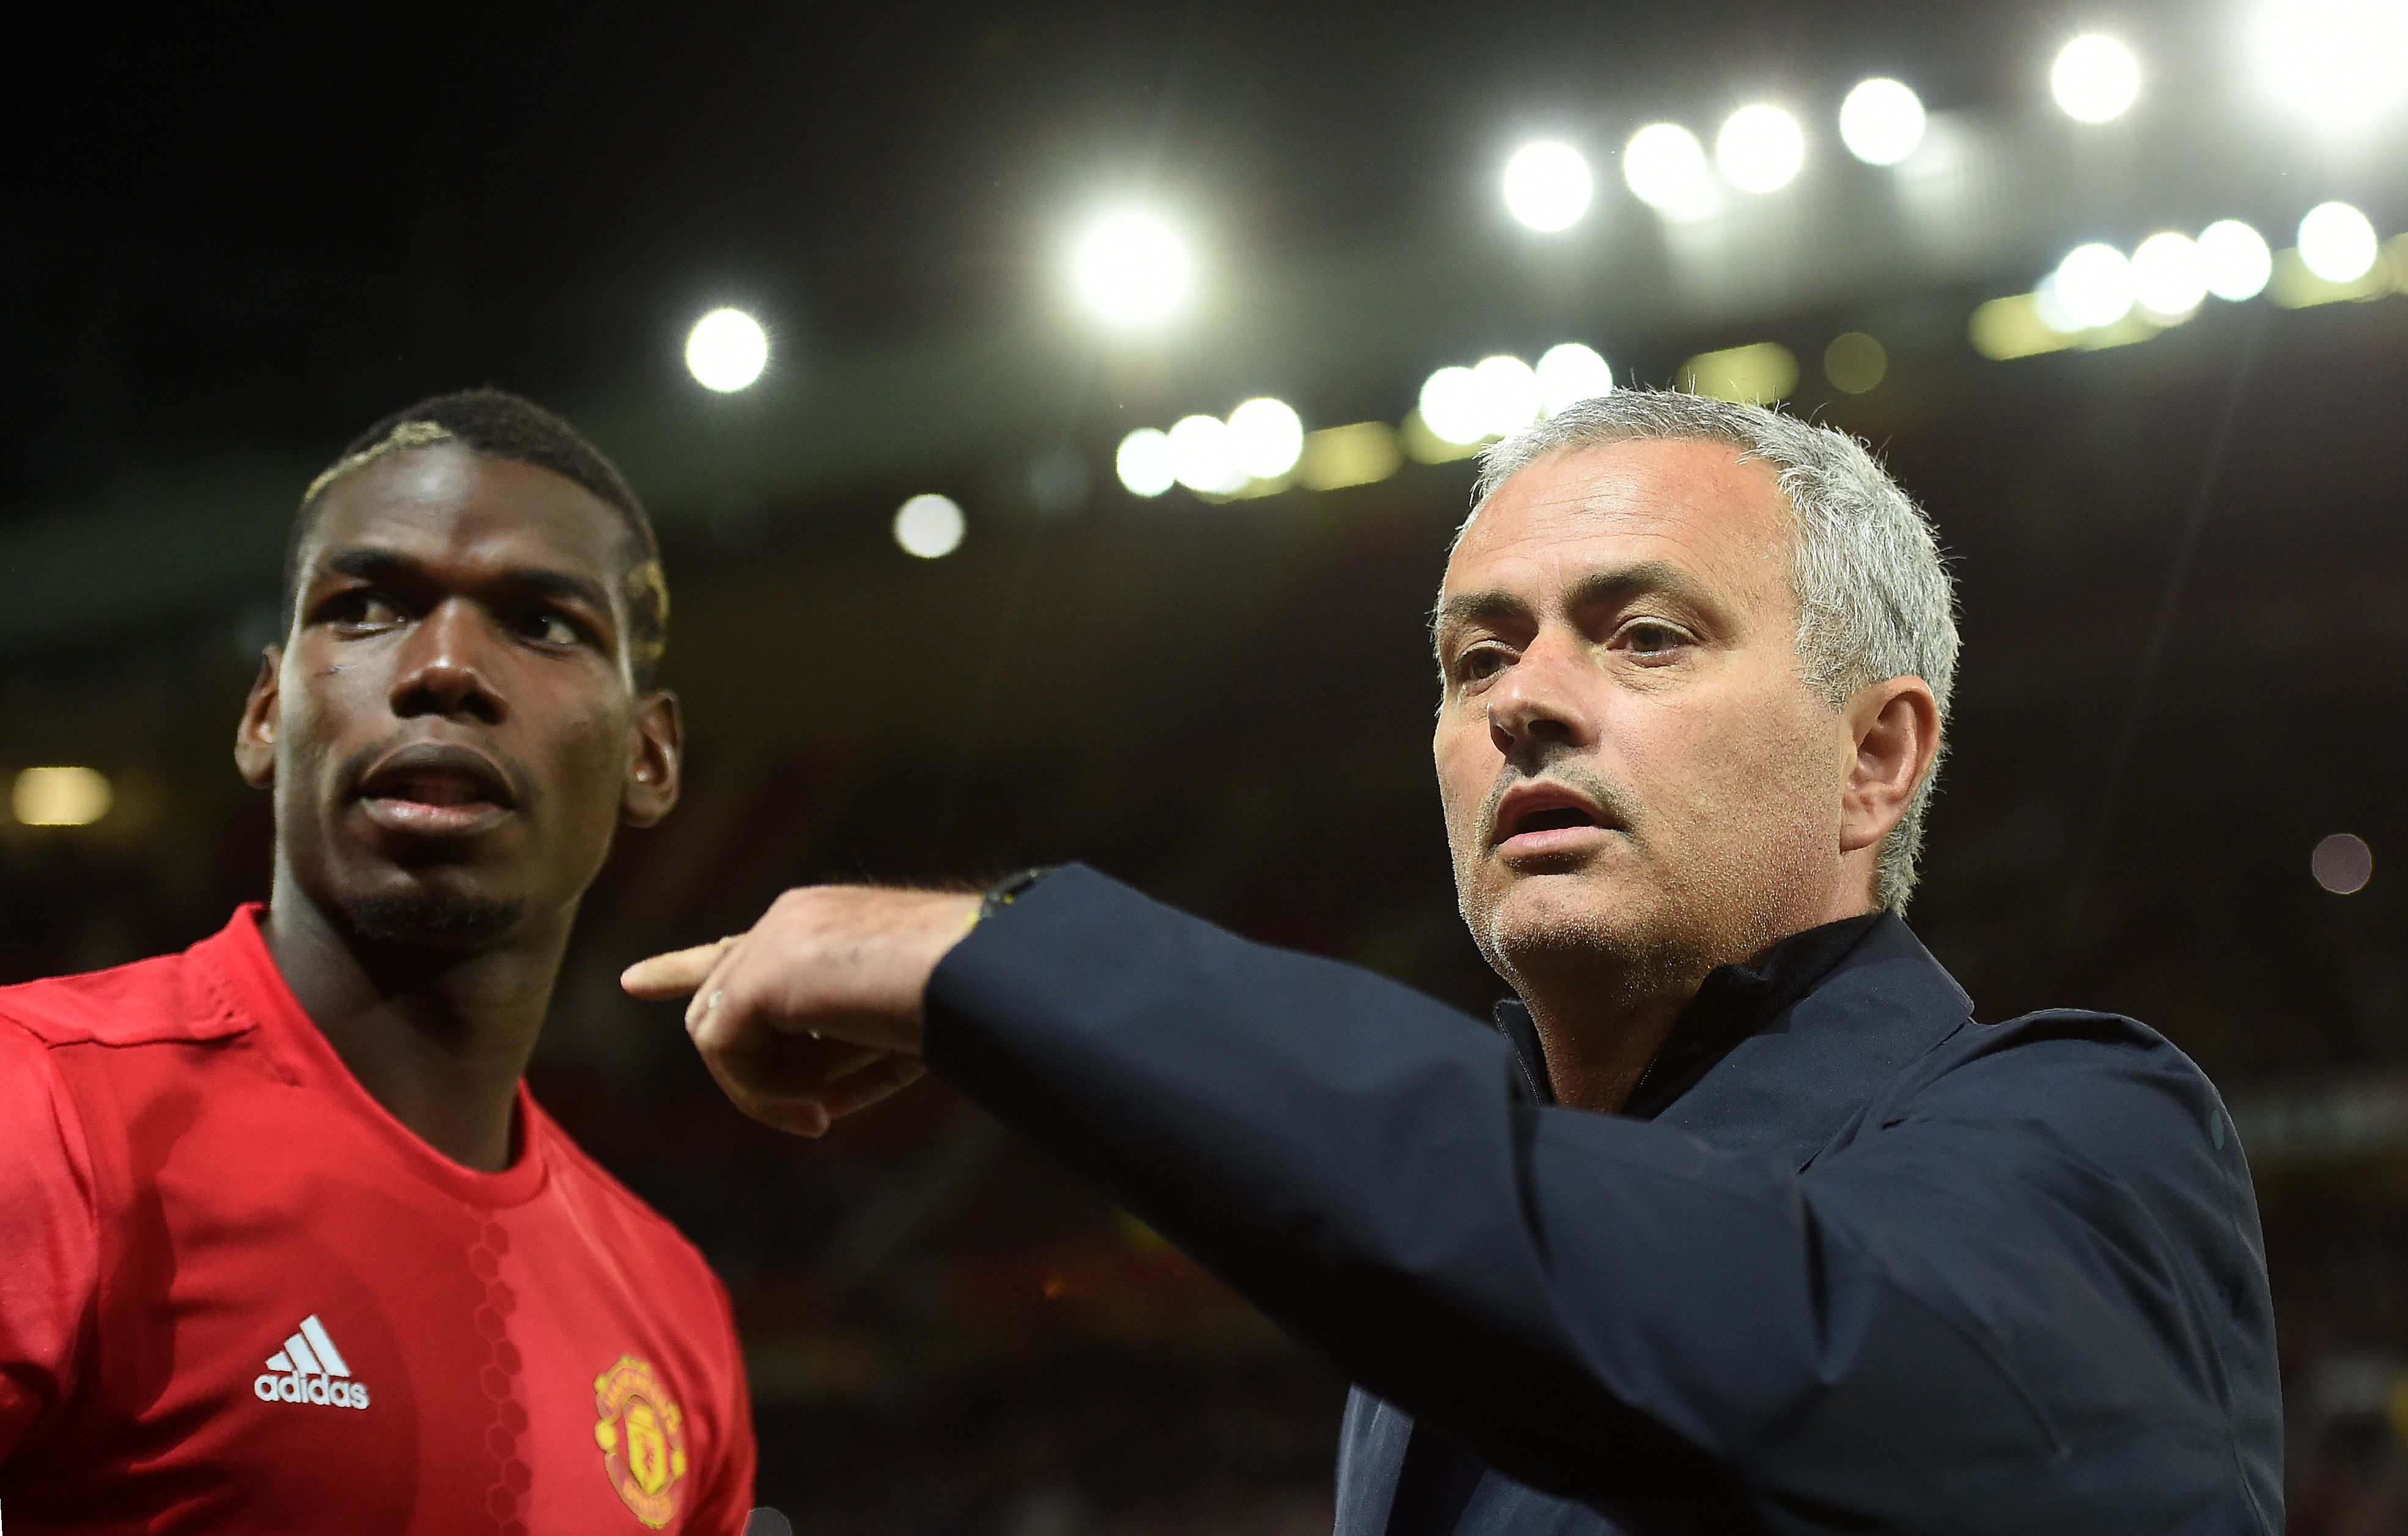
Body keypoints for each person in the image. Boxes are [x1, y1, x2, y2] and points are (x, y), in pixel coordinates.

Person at [627, 390, 2281, 1534]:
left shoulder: (2096, 1141)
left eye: (1643, 635)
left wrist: (1008, 961)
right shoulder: (1455, 1280)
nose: (1522, 701)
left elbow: (1756, 1337)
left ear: (1874, 758)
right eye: (1475, 656)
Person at [0, 390, 756, 1534]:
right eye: (365, 609)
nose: (445, 667)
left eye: (542, 624)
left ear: (649, 757)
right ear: (265, 714)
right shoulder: (41, 1110)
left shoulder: (676, 1318)